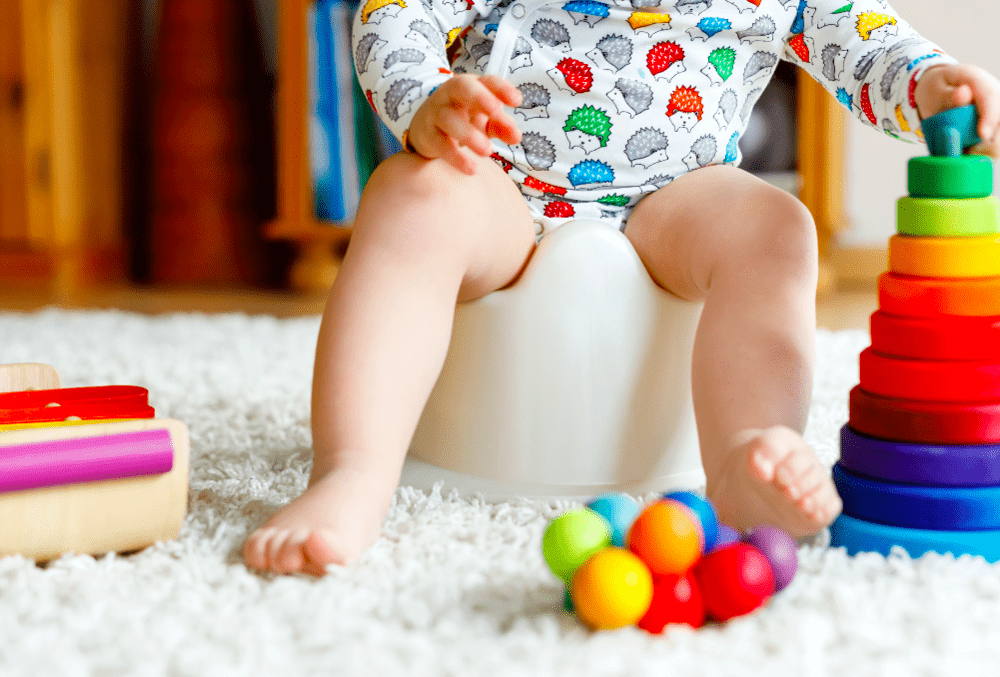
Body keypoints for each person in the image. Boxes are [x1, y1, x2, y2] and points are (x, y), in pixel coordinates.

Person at [244, 0, 1000, 575]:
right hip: (500, 182)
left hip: (679, 199)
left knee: (776, 228)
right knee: (411, 198)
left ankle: (742, 453)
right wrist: (427, 101)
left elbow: (851, 32)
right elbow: (396, 16)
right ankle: (352, 471)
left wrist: (928, 81)